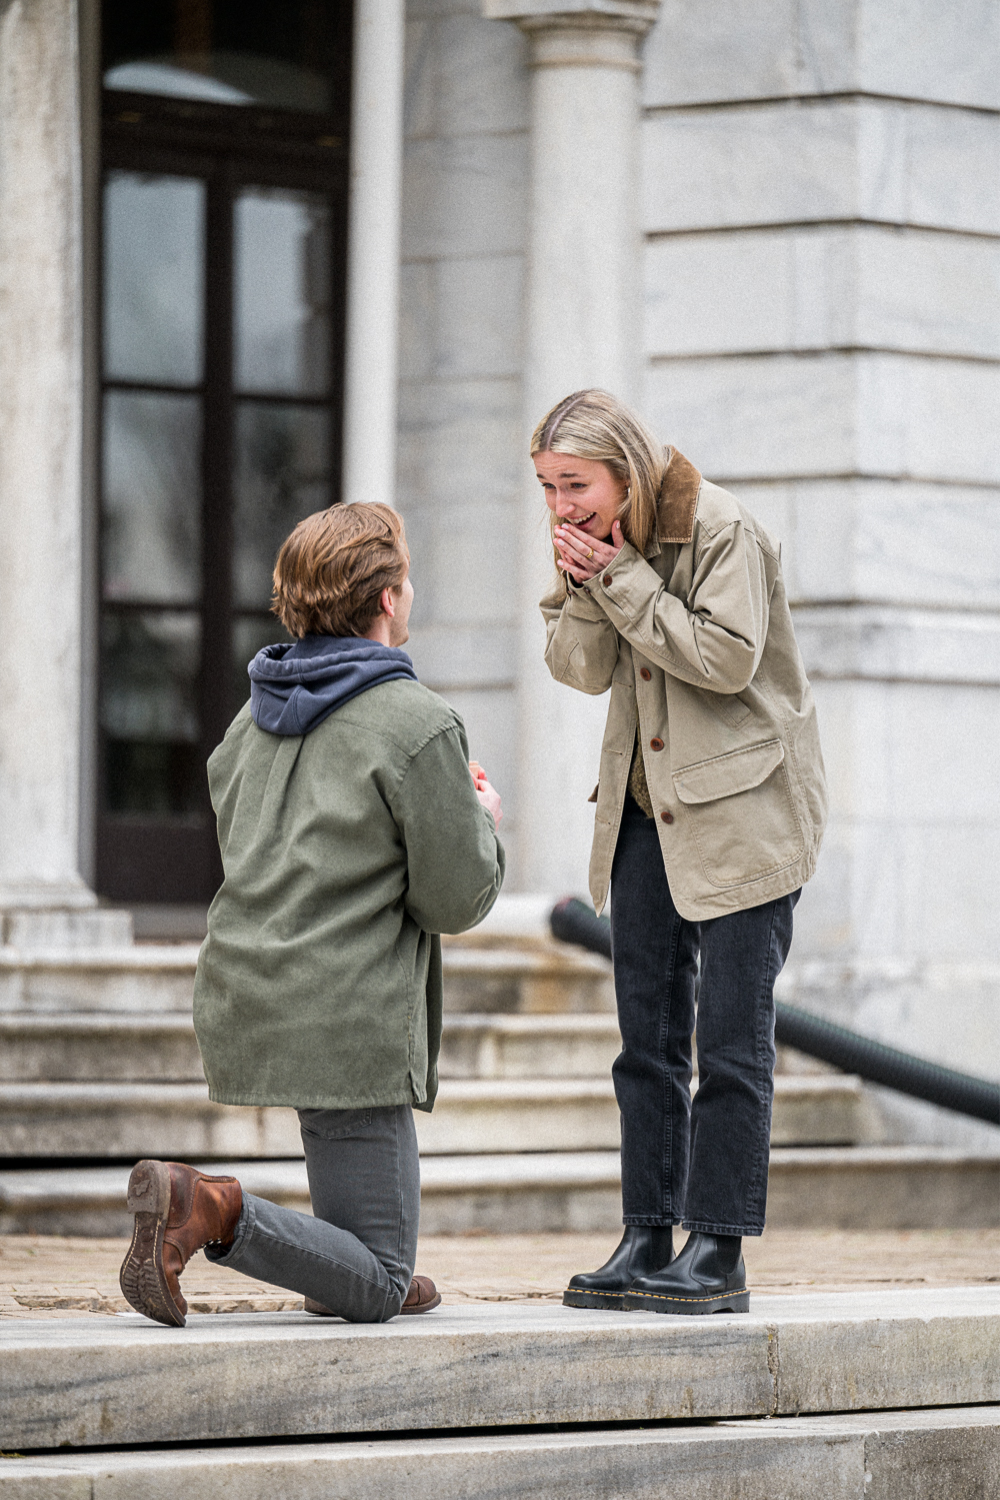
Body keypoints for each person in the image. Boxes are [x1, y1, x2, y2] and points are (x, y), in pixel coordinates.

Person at [120, 502, 504, 1327]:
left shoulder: (246, 726)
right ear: (389, 600)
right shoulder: (418, 723)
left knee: (365, 1263)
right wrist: (480, 821)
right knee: (377, 1282)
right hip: (349, 1015)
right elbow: (454, 897)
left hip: (250, 993)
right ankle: (207, 1207)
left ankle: (351, 1261)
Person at [534, 390, 827, 1315]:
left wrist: (617, 582)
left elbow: (728, 659)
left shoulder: (720, 528)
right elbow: (575, 668)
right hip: (644, 812)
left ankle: (719, 1250)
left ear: (623, 468)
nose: (560, 506)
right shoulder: (600, 541)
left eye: (573, 484)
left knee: (731, 1043)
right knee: (645, 1044)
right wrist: (587, 583)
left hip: (744, 813)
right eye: (546, 487)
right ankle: (646, 1235)